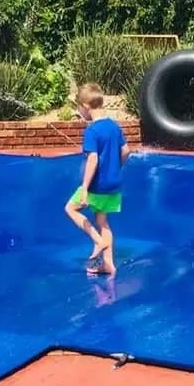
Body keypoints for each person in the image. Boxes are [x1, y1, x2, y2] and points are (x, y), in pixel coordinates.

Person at [65, 83, 131, 276]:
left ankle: (97, 240)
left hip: (97, 185)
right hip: (113, 184)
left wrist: (85, 188)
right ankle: (108, 265)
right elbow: (126, 151)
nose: (78, 111)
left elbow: (92, 159)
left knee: (70, 208)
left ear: (85, 106)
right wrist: (115, 168)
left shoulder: (92, 131)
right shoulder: (114, 126)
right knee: (103, 221)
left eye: (78, 107)